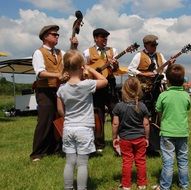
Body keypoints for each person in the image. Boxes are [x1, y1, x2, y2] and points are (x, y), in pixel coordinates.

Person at [57, 50, 108, 190]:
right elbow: (104, 81)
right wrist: (90, 68)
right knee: (82, 163)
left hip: (68, 127)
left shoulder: (61, 89)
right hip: (84, 129)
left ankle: (68, 188)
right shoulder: (87, 85)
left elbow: (61, 111)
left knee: (69, 162)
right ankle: (81, 188)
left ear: (66, 68)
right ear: (81, 67)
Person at [30, 25, 77, 161]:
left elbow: (70, 60)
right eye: (54, 34)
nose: (57, 36)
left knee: (58, 119)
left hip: (58, 90)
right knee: (45, 120)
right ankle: (37, 153)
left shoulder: (60, 52)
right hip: (45, 90)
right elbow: (40, 73)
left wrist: (74, 47)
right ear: (45, 37)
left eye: (57, 35)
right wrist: (57, 75)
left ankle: (55, 148)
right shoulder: (39, 53)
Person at [128, 34, 174, 155]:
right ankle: (141, 141)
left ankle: (154, 143)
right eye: (153, 45)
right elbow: (130, 70)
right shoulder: (139, 55)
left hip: (157, 88)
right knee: (143, 114)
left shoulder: (160, 56)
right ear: (146, 45)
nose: (155, 47)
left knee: (156, 114)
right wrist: (144, 74)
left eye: (156, 45)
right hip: (143, 89)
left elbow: (164, 69)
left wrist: (170, 64)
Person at [154, 64, 191, 190]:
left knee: (168, 162)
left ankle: (165, 186)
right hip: (182, 132)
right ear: (183, 80)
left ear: (167, 81)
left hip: (167, 133)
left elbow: (159, 112)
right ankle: (184, 185)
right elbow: (187, 108)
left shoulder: (163, 95)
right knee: (183, 160)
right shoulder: (186, 96)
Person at [83, 28, 119, 152]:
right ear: (95, 38)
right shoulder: (87, 52)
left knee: (115, 112)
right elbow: (85, 69)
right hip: (96, 86)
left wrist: (114, 65)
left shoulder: (112, 51)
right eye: (102, 37)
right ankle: (99, 144)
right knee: (98, 115)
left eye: (106, 37)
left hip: (110, 85)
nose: (105, 39)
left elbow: (116, 69)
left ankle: (117, 141)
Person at [112, 77, 150, 190]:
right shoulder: (142, 106)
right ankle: (142, 184)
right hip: (140, 138)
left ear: (124, 90)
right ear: (139, 90)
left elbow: (115, 124)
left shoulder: (119, 106)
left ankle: (126, 185)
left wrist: (114, 137)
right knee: (141, 161)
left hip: (125, 139)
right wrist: (147, 138)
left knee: (127, 162)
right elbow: (146, 124)